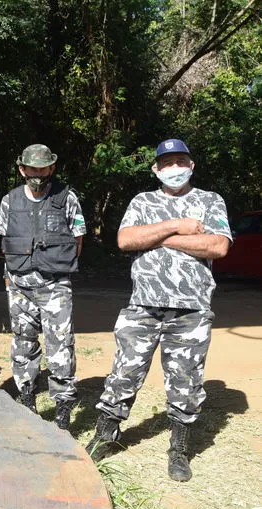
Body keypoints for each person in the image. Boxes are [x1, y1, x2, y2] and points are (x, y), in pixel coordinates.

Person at [86, 139, 231, 482]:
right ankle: (105, 436)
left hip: (191, 310)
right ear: (156, 169)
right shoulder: (143, 201)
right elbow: (124, 240)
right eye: (166, 163)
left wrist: (156, 237)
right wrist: (176, 226)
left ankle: (178, 450)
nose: (174, 168)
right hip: (143, 307)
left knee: (185, 382)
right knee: (124, 373)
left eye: (180, 160)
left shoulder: (210, 201)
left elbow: (218, 245)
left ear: (191, 164)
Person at [0, 144, 85, 429]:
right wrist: (9, 279)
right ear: (22, 169)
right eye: (33, 169)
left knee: (60, 346)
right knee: (23, 343)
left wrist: (57, 268)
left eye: (44, 168)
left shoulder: (67, 198)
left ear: (52, 168)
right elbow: (6, 243)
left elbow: (77, 240)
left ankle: (62, 406)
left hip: (55, 285)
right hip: (20, 286)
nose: (39, 174)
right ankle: (27, 397)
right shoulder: (9, 200)